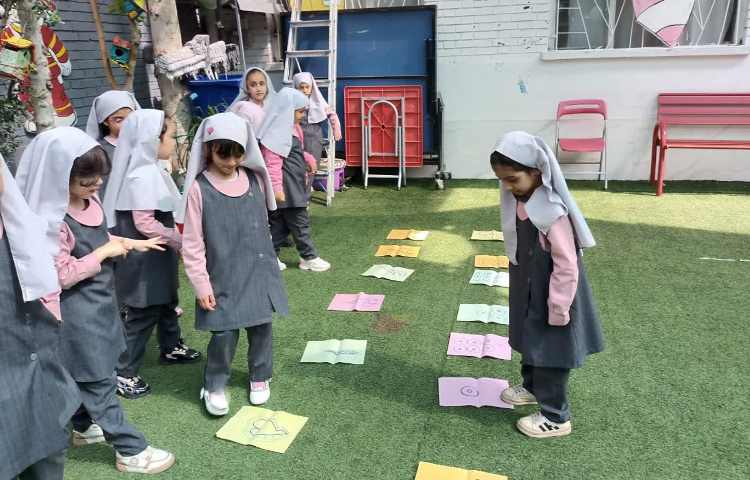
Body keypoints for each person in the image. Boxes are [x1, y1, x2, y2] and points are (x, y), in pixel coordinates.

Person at [491, 131, 604, 438]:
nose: (508, 187)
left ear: (536, 171)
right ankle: (531, 387)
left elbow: (567, 265)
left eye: (513, 179)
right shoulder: (521, 201)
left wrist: (558, 305)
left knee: (550, 353)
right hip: (532, 290)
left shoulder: (552, 212)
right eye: (503, 181)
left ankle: (556, 417)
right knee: (530, 341)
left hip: (555, 296)